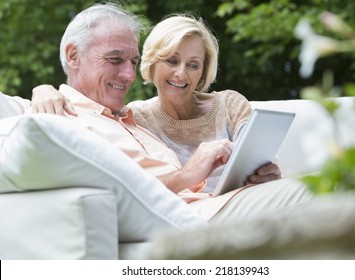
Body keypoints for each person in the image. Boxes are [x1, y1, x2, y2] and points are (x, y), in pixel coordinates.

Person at [5, 2, 313, 222]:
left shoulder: (128, 117)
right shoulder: (60, 115)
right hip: (193, 217)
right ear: (74, 56)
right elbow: (123, 192)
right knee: (328, 189)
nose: (127, 75)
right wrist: (41, 91)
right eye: (115, 60)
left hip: (211, 205)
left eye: (132, 62)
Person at [32, 14, 280, 193]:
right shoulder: (135, 116)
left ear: (204, 70)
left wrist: (268, 172)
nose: (182, 74)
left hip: (243, 198)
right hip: (212, 210)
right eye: (172, 61)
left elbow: (259, 157)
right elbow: (81, 100)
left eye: (193, 65)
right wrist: (43, 89)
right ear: (152, 63)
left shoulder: (129, 120)